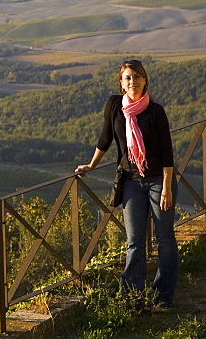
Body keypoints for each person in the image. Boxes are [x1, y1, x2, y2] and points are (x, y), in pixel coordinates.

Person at [75, 59, 178, 311]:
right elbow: (106, 138)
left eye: (137, 77)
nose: (133, 81)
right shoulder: (114, 106)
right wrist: (92, 164)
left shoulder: (155, 111)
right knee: (134, 241)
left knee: (165, 238)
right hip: (130, 181)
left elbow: (167, 153)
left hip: (158, 181)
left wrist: (166, 186)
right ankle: (131, 297)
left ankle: (162, 296)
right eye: (128, 78)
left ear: (145, 80)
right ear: (121, 83)